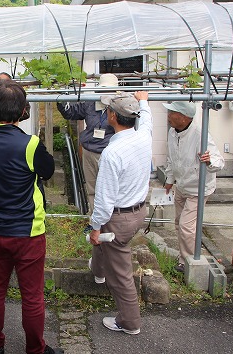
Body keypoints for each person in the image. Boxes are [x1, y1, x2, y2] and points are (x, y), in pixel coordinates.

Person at [0, 80, 61, 354]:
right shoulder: (30, 144)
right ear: (23, 111)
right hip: (28, 232)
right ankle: (36, 350)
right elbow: (47, 171)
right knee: (32, 295)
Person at [88, 91, 151, 336]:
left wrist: (95, 228)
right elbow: (147, 119)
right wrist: (143, 100)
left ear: (112, 116)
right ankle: (98, 272)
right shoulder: (144, 135)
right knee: (103, 243)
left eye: (107, 111)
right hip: (138, 211)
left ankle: (129, 323)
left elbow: (104, 200)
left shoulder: (112, 153)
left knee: (122, 275)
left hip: (119, 218)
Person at [162, 101, 224, 273]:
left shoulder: (199, 134)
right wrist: (169, 179)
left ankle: (188, 261)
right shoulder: (172, 132)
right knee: (178, 223)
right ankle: (184, 256)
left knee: (186, 226)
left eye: (172, 113)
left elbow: (219, 162)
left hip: (198, 188)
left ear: (184, 117)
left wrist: (209, 160)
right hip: (182, 185)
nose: (168, 116)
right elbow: (171, 158)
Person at [56, 73, 119, 213]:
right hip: (89, 152)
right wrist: (61, 98)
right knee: (92, 188)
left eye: (109, 91)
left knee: (109, 189)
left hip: (108, 154)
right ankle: (94, 219)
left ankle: (111, 220)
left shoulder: (119, 107)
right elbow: (71, 113)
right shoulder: (91, 103)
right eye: (103, 90)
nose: (105, 94)